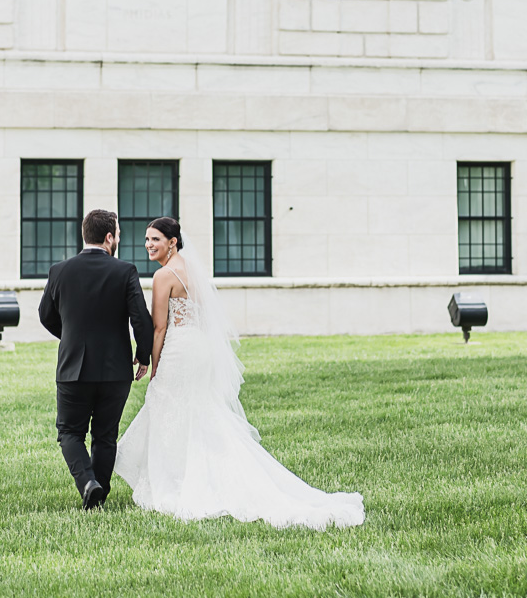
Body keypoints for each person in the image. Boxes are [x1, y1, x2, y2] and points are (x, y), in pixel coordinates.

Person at [115, 217, 364, 529]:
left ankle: (177, 480)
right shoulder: (194, 270)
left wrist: (151, 365)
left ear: (173, 242)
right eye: (147, 240)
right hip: (200, 348)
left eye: (156, 240)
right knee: (199, 412)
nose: (149, 245)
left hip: (180, 349)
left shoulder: (164, 275)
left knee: (169, 407)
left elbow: (160, 326)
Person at [39, 208, 154, 510]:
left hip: (72, 368)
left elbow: (45, 316)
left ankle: (88, 484)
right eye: (118, 235)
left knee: (69, 432)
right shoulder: (125, 271)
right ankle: (97, 495)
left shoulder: (59, 271)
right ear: (108, 237)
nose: (118, 240)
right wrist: (143, 355)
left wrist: (71, 337)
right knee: (106, 435)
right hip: (116, 369)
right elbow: (141, 319)